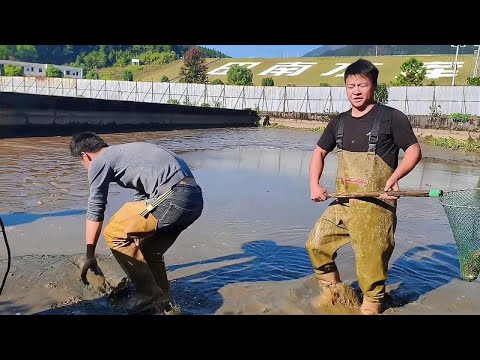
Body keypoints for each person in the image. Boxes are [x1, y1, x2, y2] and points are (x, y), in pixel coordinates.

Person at [305, 59, 422, 315]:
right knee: (316, 245)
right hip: (343, 204)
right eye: (350, 86)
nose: (356, 91)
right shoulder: (339, 122)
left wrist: (394, 178)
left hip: (376, 207)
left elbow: (414, 151)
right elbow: (319, 152)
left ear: (374, 87)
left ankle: (371, 308)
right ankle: (336, 296)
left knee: (370, 272)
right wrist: (315, 184)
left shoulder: (392, 118)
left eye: (362, 85)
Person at [69, 132, 204, 314]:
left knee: (114, 232)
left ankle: (148, 293)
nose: (85, 167)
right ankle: (164, 301)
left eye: (82, 162)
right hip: (193, 199)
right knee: (149, 251)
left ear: (85, 155)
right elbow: (142, 199)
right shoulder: (126, 153)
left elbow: (95, 207)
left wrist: (90, 254)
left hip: (172, 196)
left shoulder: (99, 161)